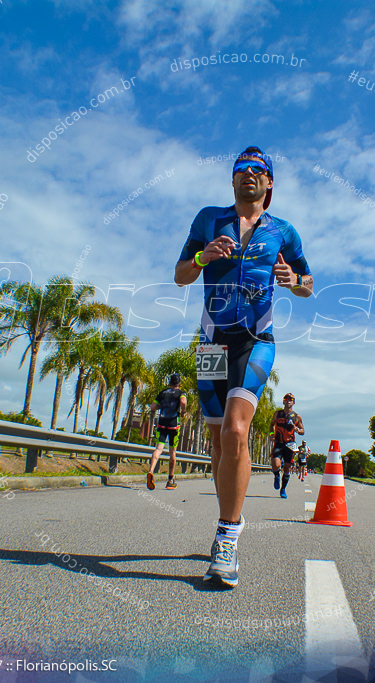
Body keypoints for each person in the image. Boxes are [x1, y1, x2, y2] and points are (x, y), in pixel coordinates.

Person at [174, 146, 313, 588]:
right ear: (232, 180)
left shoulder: (284, 231)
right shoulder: (207, 220)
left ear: (269, 182)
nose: (248, 175)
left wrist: (294, 282)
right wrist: (202, 258)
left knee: (237, 430)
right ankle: (229, 517)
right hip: (212, 341)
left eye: (258, 170)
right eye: (240, 169)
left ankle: (226, 537)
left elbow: (309, 282)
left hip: (257, 340)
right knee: (218, 442)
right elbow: (180, 275)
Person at [147, 373, 187, 490]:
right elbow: (183, 402)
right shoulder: (181, 393)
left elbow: (153, 406)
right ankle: (170, 480)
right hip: (173, 425)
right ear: (179, 384)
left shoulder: (163, 393)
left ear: (169, 383)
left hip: (161, 424)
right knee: (172, 452)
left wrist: (162, 407)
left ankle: (151, 471)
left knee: (158, 449)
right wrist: (183, 412)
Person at [270, 393, 305, 498]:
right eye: (286, 399)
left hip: (290, 444)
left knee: (287, 468)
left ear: (293, 402)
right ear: (283, 401)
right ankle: (276, 475)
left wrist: (297, 430)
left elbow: (303, 431)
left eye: (291, 399)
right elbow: (271, 424)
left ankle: (283, 489)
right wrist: (272, 434)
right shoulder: (278, 414)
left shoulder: (296, 416)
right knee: (276, 464)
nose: (288, 401)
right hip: (279, 442)